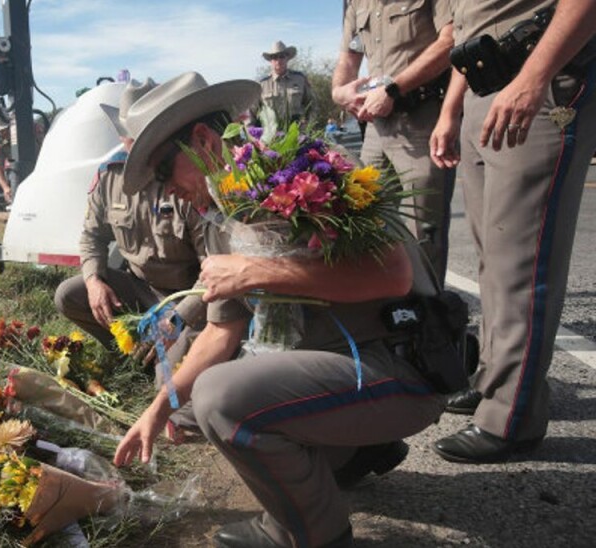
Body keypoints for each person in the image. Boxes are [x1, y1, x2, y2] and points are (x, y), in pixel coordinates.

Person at [112, 72, 445, 548]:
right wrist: (156, 409)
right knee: (191, 410)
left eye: (165, 174)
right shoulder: (223, 216)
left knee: (221, 399)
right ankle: (353, 453)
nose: (167, 193)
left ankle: (311, 534)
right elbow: (220, 334)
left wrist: (254, 273)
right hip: (343, 369)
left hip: (404, 364)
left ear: (204, 140)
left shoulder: (309, 169)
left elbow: (392, 277)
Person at [428, 0, 596, 463]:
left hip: (539, 83)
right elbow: (470, 30)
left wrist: (532, 79)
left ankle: (512, 419)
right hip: (482, 87)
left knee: (523, 258)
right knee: (493, 259)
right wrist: (451, 109)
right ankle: (493, 382)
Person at [54, 78, 208, 395]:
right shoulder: (110, 176)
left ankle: (166, 355)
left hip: (187, 298)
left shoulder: (189, 176)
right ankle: (135, 354)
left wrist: (178, 320)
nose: (134, 146)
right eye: (129, 136)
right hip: (139, 289)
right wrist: (95, 281)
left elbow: (212, 270)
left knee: (168, 391)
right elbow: (91, 237)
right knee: (69, 293)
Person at [332, 0, 456, 285]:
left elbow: (450, 40)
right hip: (376, 128)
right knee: (364, 219)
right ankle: (384, 309)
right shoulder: (357, 3)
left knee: (423, 229)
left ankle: (429, 315)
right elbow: (347, 59)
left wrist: (393, 88)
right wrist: (339, 92)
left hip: (422, 119)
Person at [259, 40, 315, 124]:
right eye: (274, 57)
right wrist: (253, 135)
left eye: (281, 56)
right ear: (271, 61)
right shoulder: (262, 84)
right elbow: (251, 113)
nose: (278, 60)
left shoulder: (300, 79)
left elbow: (312, 105)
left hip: (297, 131)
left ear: (287, 58)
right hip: (272, 132)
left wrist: (308, 125)